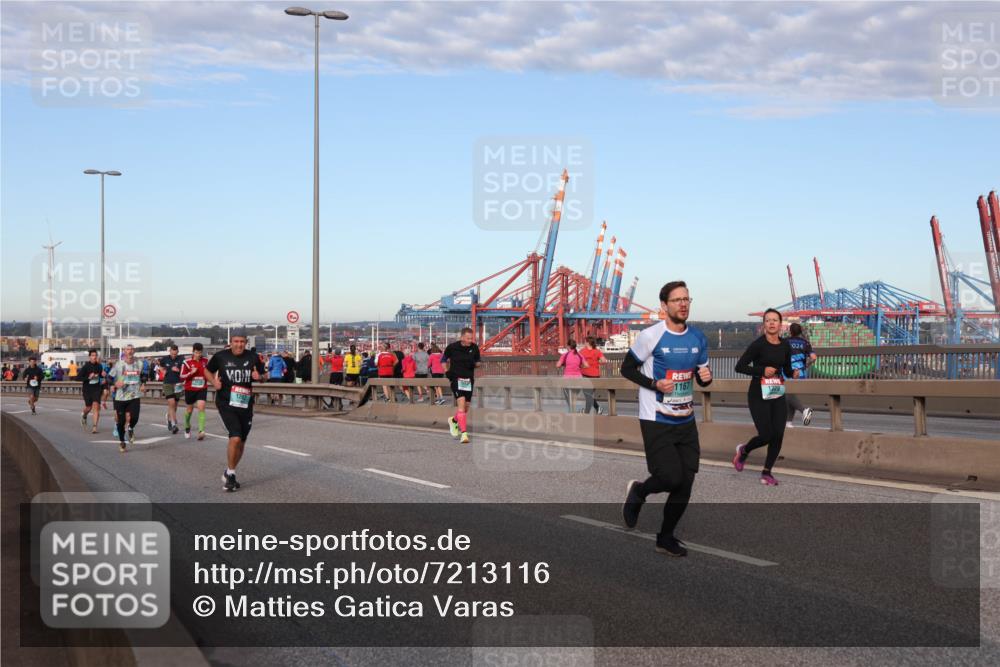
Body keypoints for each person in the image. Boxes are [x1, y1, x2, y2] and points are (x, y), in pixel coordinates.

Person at [620, 281, 712, 557]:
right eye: (677, 300)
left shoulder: (698, 338)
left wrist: (705, 379)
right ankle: (639, 491)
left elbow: (701, 374)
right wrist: (654, 384)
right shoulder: (651, 336)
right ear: (664, 306)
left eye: (687, 299)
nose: (683, 304)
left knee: (686, 482)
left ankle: (665, 537)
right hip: (655, 418)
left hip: (685, 419)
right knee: (670, 477)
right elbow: (627, 368)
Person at [732, 308, 799, 486]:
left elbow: (786, 369)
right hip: (758, 394)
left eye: (774, 320)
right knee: (766, 434)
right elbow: (739, 367)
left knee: (778, 435)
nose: (771, 323)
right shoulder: (758, 345)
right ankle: (744, 450)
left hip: (777, 393)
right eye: (768, 320)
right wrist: (762, 370)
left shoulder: (785, 345)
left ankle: (767, 472)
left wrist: (794, 373)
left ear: (780, 324)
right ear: (764, 325)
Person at [205, 333, 265, 492]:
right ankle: (231, 476)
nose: (239, 344)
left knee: (242, 442)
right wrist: (213, 382)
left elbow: (264, 375)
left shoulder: (253, 357)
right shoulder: (220, 356)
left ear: (246, 343)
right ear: (230, 342)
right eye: (236, 342)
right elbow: (207, 371)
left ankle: (229, 470)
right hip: (226, 403)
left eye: (242, 342)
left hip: (245, 405)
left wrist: (259, 377)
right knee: (235, 437)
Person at [442, 328, 481, 444]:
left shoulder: (474, 348)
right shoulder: (452, 347)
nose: (470, 340)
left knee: (466, 407)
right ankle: (464, 434)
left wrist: (474, 364)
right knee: (461, 404)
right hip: (456, 378)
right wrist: (446, 371)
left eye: (471, 338)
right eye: (468, 338)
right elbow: (443, 359)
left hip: (468, 379)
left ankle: (454, 420)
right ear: (462, 337)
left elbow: (479, 362)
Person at [109, 345, 148, 452]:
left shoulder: (139, 364)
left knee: (134, 418)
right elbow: (109, 378)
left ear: (133, 351)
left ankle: (130, 428)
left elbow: (144, 375)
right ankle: (122, 441)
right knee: (120, 422)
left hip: (134, 395)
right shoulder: (118, 365)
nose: (129, 351)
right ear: (124, 352)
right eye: (127, 349)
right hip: (120, 397)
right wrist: (115, 383)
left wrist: (143, 384)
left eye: (131, 349)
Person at [785, 323, 816, 427]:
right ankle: (788, 422)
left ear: (790, 331)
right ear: (800, 331)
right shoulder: (805, 343)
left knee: (787, 394)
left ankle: (804, 410)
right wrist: (806, 365)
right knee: (791, 395)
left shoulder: (785, 342)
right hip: (801, 374)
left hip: (788, 373)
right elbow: (813, 357)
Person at [180, 342, 209, 440]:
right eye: (196, 352)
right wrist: (191, 373)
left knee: (201, 407)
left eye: (200, 352)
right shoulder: (187, 362)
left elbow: (210, 372)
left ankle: (201, 430)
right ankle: (187, 426)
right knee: (189, 410)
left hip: (202, 388)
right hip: (190, 389)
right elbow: (181, 376)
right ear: (193, 352)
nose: (198, 355)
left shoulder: (205, 361)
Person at [556, 339, 588, 412]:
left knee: (568, 395)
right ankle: (573, 408)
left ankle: (571, 409)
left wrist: (564, 364)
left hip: (567, 378)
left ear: (568, 346)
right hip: (578, 378)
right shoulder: (580, 355)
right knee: (574, 395)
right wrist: (580, 367)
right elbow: (587, 365)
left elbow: (558, 365)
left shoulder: (565, 355)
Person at [79, 349, 106, 434]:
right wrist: (88, 377)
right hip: (87, 389)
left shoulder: (99, 366)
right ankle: (84, 415)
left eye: (95, 355)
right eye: (93, 355)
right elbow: (78, 377)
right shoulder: (85, 367)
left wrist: (103, 375)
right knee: (89, 407)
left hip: (97, 389)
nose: (94, 357)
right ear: (89, 357)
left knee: (96, 406)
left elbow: (102, 377)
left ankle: (94, 427)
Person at [160, 344, 185, 434]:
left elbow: (185, 370)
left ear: (177, 352)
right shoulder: (165, 359)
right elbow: (160, 366)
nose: (173, 355)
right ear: (170, 351)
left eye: (175, 353)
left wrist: (178, 370)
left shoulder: (182, 359)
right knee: (172, 403)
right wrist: (163, 371)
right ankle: (174, 424)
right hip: (168, 384)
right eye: (172, 353)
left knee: (175, 406)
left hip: (178, 384)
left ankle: (169, 418)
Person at [580, 336, 605, 414]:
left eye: (585, 341)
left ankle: (592, 410)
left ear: (587, 342)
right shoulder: (597, 351)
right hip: (595, 375)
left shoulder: (582, 351)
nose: (584, 343)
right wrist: (597, 363)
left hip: (585, 375)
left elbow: (578, 361)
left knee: (588, 395)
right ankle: (596, 409)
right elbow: (604, 361)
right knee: (589, 395)